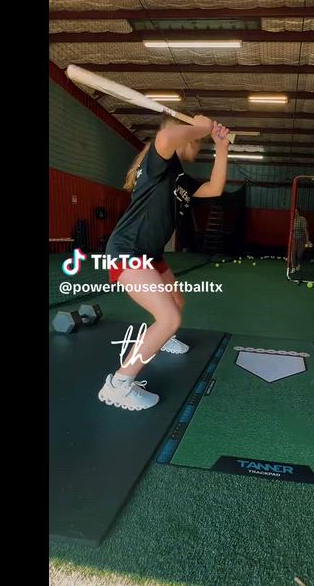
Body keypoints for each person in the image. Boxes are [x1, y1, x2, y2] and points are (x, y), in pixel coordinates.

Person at [97, 114, 231, 411]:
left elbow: (215, 188)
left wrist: (221, 147)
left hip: (151, 254)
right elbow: (166, 137)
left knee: (176, 301)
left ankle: (163, 339)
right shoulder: (159, 163)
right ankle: (119, 384)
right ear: (185, 136)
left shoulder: (181, 178)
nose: (197, 145)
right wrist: (202, 127)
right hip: (128, 250)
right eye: (196, 141)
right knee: (169, 318)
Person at [290, 209, 312, 275]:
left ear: (298, 212)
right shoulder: (292, 220)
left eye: (296, 211)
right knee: (293, 254)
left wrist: (307, 241)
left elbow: (306, 231)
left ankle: (298, 264)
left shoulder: (302, 219)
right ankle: (293, 267)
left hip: (301, 240)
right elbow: (291, 231)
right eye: (294, 211)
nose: (295, 212)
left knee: (299, 255)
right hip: (294, 239)